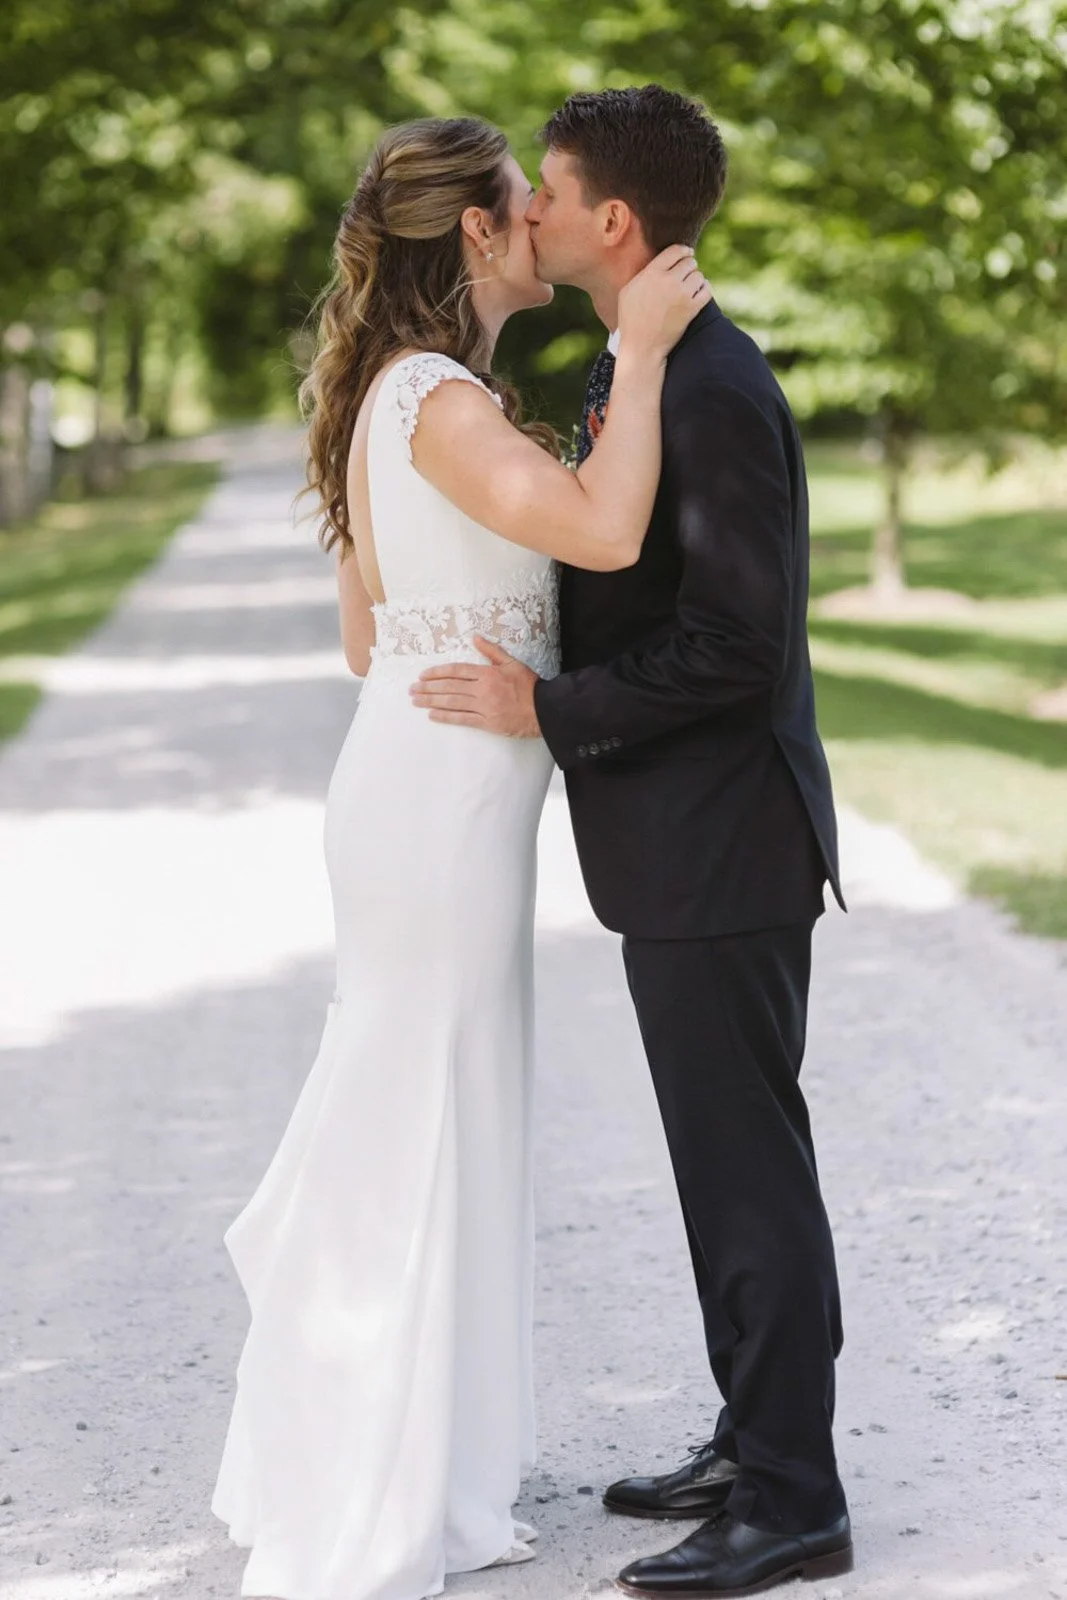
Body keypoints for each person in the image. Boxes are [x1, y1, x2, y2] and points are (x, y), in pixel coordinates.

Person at [209, 114, 709, 1600]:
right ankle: (373, 1478)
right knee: (415, 1114)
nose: (546, 218)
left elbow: (371, 635)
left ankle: (421, 1453)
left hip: (423, 787)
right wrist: (652, 350)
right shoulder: (434, 399)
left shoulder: (404, 394)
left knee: (440, 1106)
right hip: (439, 808)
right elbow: (608, 535)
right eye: (522, 201)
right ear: (476, 238)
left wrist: (469, 627)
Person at [411, 86, 854, 1597]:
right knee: (721, 1163)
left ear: (611, 221)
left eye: (545, 190)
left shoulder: (713, 386)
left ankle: (795, 1499)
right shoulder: (643, 363)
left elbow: (735, 644)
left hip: (725, 839)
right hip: (683, 842)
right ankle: (755, 1437)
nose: (524, 210)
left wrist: (548, 706)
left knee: (745, 1172)